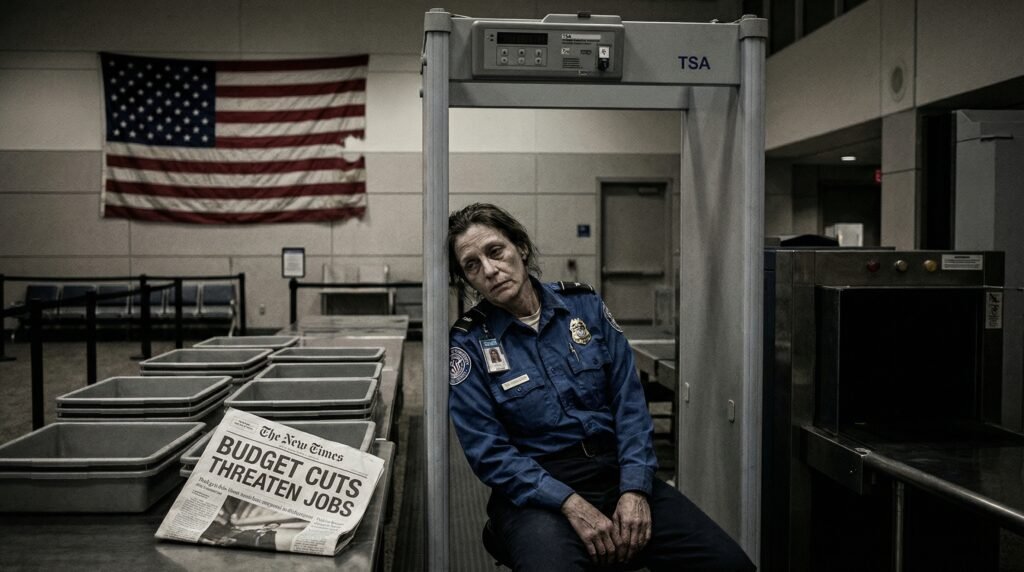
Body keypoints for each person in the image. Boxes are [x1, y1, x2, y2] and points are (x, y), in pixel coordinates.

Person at [447, 203, 755, 571]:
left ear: (521, 248)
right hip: (535, 492)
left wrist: (636, 489)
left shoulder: (584, 306)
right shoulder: (467, 344)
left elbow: (629, 403)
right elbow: (488, 451)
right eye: (472, 265)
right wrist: (570, 504)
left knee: (728, 564)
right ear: (467, 280)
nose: (489, 270)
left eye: (496, 251)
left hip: (616, 471)